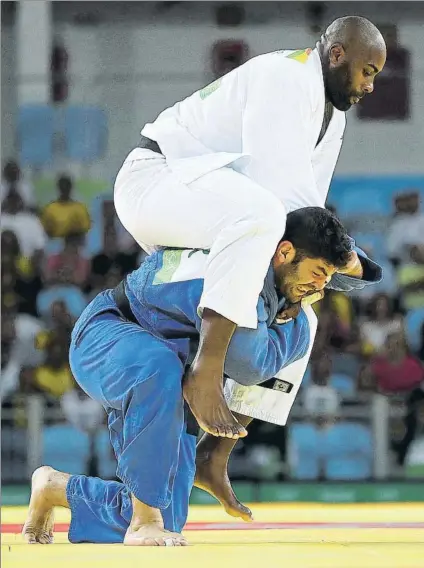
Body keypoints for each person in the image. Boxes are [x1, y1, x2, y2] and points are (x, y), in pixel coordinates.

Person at [23, 207, 382, 546]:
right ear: (284, 252)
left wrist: (330, 273)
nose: (320, 288)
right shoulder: (241, 270)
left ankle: (57, 488)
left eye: (329, 277)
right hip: (109, 333)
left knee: (171, 518)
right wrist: (292, 319)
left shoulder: (285, 274)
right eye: (318, 273)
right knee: (160, 365)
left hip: (173, 375)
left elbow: (367, 274)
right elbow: (249, 364)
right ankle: (142, 519)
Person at [113, 16, 386, 438]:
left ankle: (217, 453)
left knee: (306, 304)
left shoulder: (331, 118)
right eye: (367, 71)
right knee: (263, 216)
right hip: (158, 181)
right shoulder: (288, 77)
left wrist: (329, 270)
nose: (370, 85)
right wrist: (350, 260)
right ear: (337, 55)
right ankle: (206, 372)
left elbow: (310, 217)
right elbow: (282, 200)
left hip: (209, 210)